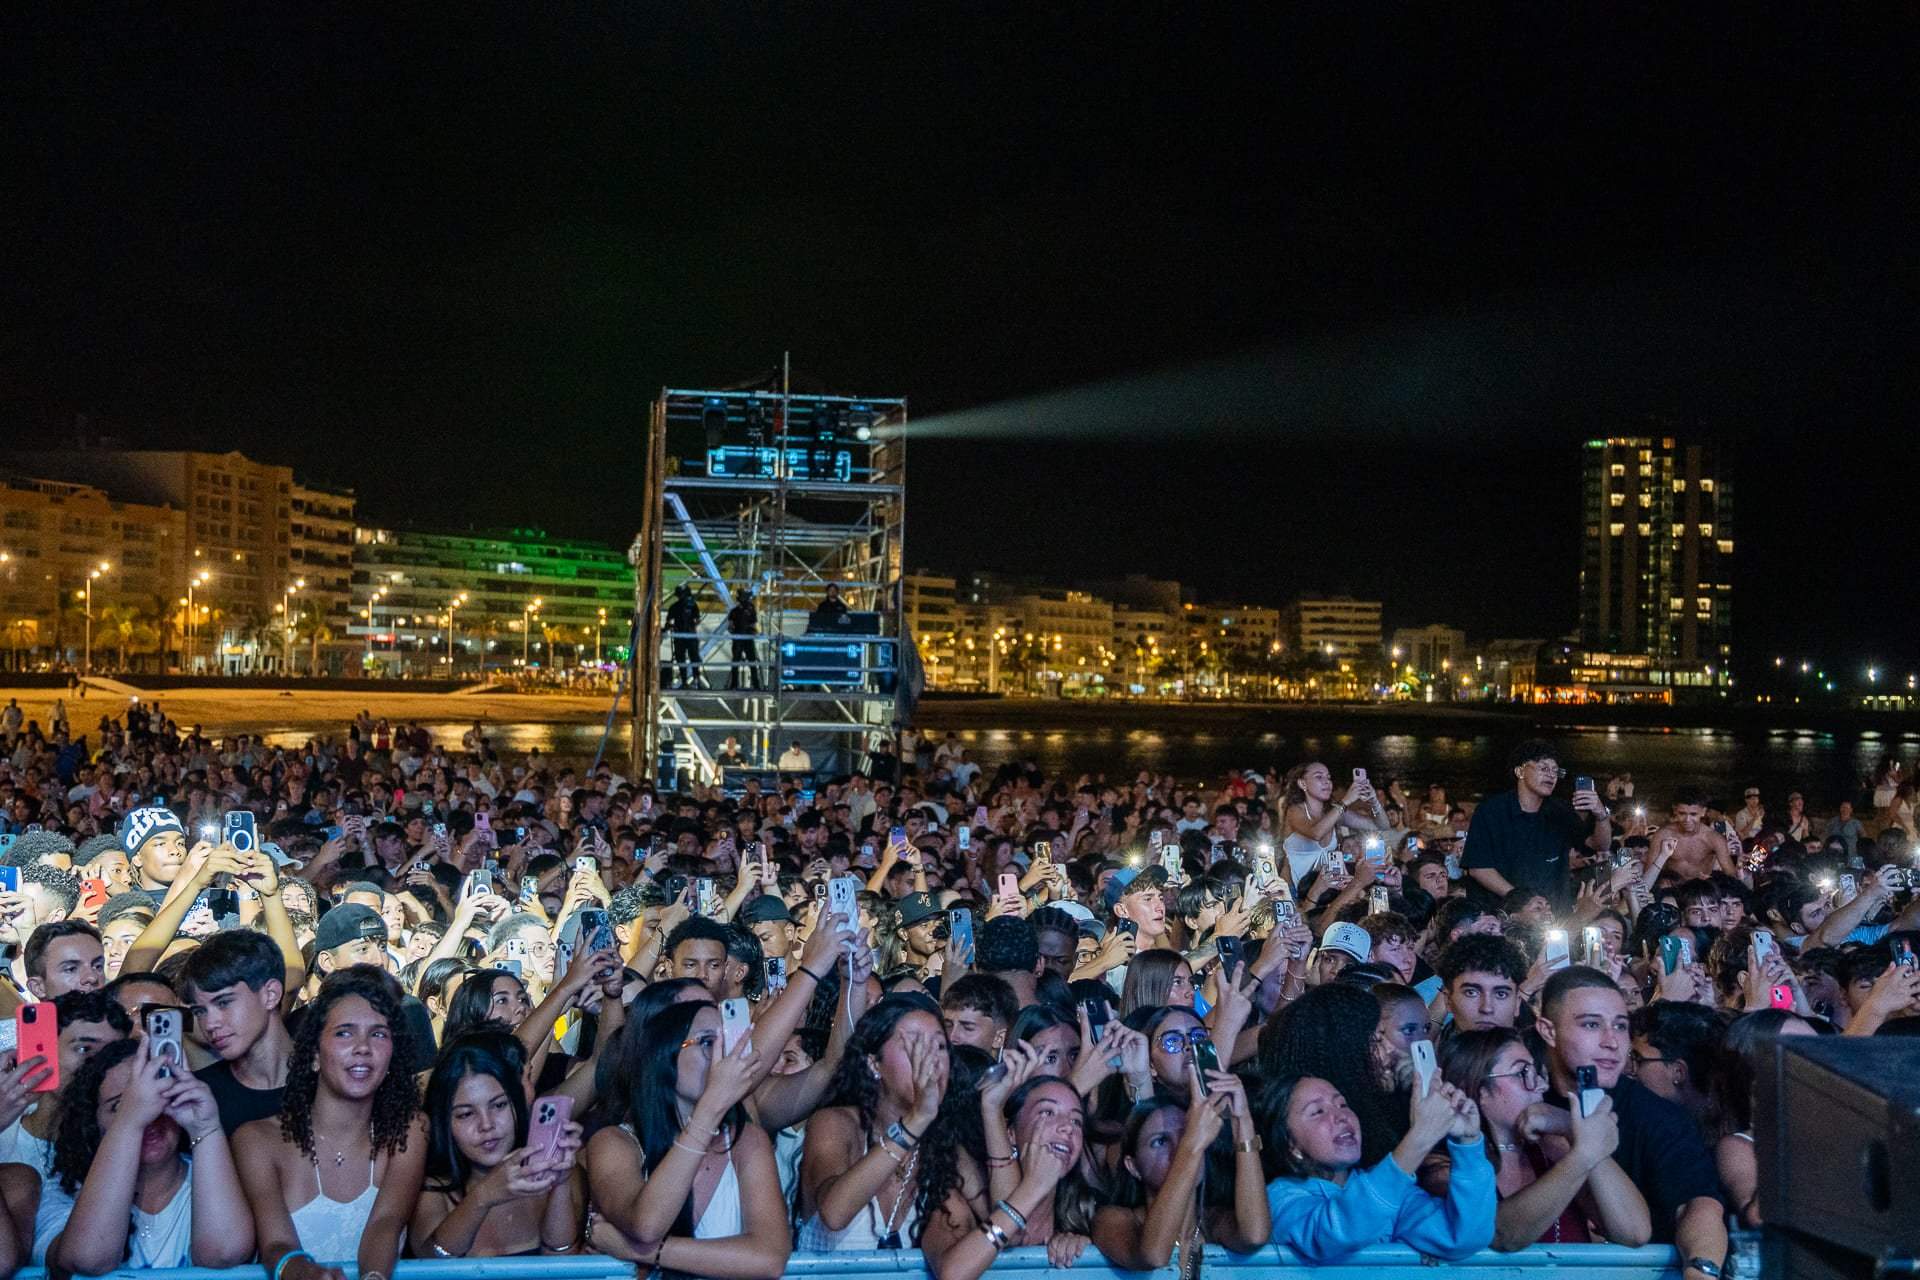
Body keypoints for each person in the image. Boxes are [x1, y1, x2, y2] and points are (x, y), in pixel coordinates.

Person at [233, 967, 428, 1280]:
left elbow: (386, 1223)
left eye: (378, 1034)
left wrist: (373, 1278)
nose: (363, 1047)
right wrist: (304, 1274)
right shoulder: (256, 1139)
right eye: (344, 1033)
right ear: (313, 1053)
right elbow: (275, 1244)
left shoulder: (409, 1130)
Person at [1532, 967, 1727, 1277]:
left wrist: (1701, 1269)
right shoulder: (1521, 1097)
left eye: (1621, 1026)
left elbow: (1698, 1205)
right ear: (1548, 1030)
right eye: (1592, 1024)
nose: (1611, 1041)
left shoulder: (1657, 1117)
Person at [582, 999, 790, 1276]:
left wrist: (640, 1252)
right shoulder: (614, 1143)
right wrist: (710, 1108)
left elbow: (768, 1259)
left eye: (726, 1043)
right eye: (706, 1042)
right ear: (664, 1055)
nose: (723, 1056)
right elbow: (647, 1224)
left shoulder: (746, 1140)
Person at [46, 1035, 257, 1271]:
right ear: (92, 1122)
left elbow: (224, 1254)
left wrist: (205, 1128)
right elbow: (87, 1259)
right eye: (119, 1106)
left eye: (159, 1098)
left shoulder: (216, 1181)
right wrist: (129, 1123)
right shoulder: (63, 1190)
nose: (148, 1114)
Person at [1431, 1028, 1650, 1247]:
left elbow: (1634, 1232)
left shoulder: (1553, 1149)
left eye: (1537, 1073)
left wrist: (1570, 1127)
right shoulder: (1444, 1166)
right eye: (1523, 1073)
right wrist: (1583, 1155)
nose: (1541, 1085)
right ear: (1479, 1091)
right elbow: (1501, 1234)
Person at [1262, 1070, 1494, 1262]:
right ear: (1291, 1144)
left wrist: (1468, 1145)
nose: (1341, 1116)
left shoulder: (1391, 1191)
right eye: (1318, 1112)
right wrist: (1419, 1137)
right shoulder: (1280, 1198)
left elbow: (1462, 1237)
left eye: (1342, 1104)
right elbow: (1338, 1232)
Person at [412, 1031, 585, 1256]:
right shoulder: (433, 1191)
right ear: (445, 1122)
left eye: (499, 1105)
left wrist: (560, 1183)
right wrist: (484, 1196)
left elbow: (562, 1265)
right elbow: (430, 1266)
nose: (486, 1125)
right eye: (466, 1114)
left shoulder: (556, 1177)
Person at [798, 995, 947, 1249]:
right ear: (874, 1062)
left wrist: (991, 1112)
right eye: (914, 1044)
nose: (930, 1057)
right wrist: (916, 1121)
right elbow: (834, 1214)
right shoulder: (836, 1124)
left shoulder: (948, 1139)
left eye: (941, 1046)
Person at [919, 1075, 1102, 1279]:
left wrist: (1081, 1249)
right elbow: (952, 1274)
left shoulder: (1089, 1215)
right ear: (1011, 1133)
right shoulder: (957, 1208)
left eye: (1076, 1121)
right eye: (1047, 1112)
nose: (1067, 1127)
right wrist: (1033, 1188)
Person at [1090, 1075, 1270, 1268]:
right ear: (1133, 1166)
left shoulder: (1211, 1222)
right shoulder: (1112, 1219)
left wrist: (1242, 1121)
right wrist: (1191, 1145)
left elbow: (1254, 1236)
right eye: (1160, 1141)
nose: (1177, 1150)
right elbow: (1153, 1255)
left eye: (1185, 1134)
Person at [1463, 740, 1610, 912]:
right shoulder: (1491, 811)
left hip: (1553, 915)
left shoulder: (1560, 811)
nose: (1551, 775)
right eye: (1544, 768)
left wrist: (1601, 814)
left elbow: (1600, 845)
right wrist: (1522, 899)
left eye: (1556, 771)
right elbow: (1479, 868)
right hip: (1502, 913)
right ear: (1520, 771)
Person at [186, 929, 296, 1133]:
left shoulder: (331, 1079)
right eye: (200, 1011)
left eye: (224, 1002)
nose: (210, 1024)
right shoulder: (198, 1096)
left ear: (271, 994)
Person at [665, 584, 702, 690]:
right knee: (691, 658)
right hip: (687, 637)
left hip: (682, 637)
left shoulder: (676, 606)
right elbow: (697, 620)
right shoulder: (691, 605)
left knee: (687, 659)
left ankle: (689, 681)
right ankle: (693, 680)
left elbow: (669, 623)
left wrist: (670, 627)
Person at [725, 589, 761, 692]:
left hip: (738, 639)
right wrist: (755, 632)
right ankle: (756, 685)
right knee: (751, 662)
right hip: (747, 639)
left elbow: (730, 627)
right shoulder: (750, 609)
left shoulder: (734, 611)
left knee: (736, 662)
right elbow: (754, 624)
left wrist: (736, 632)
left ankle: (734, 685)